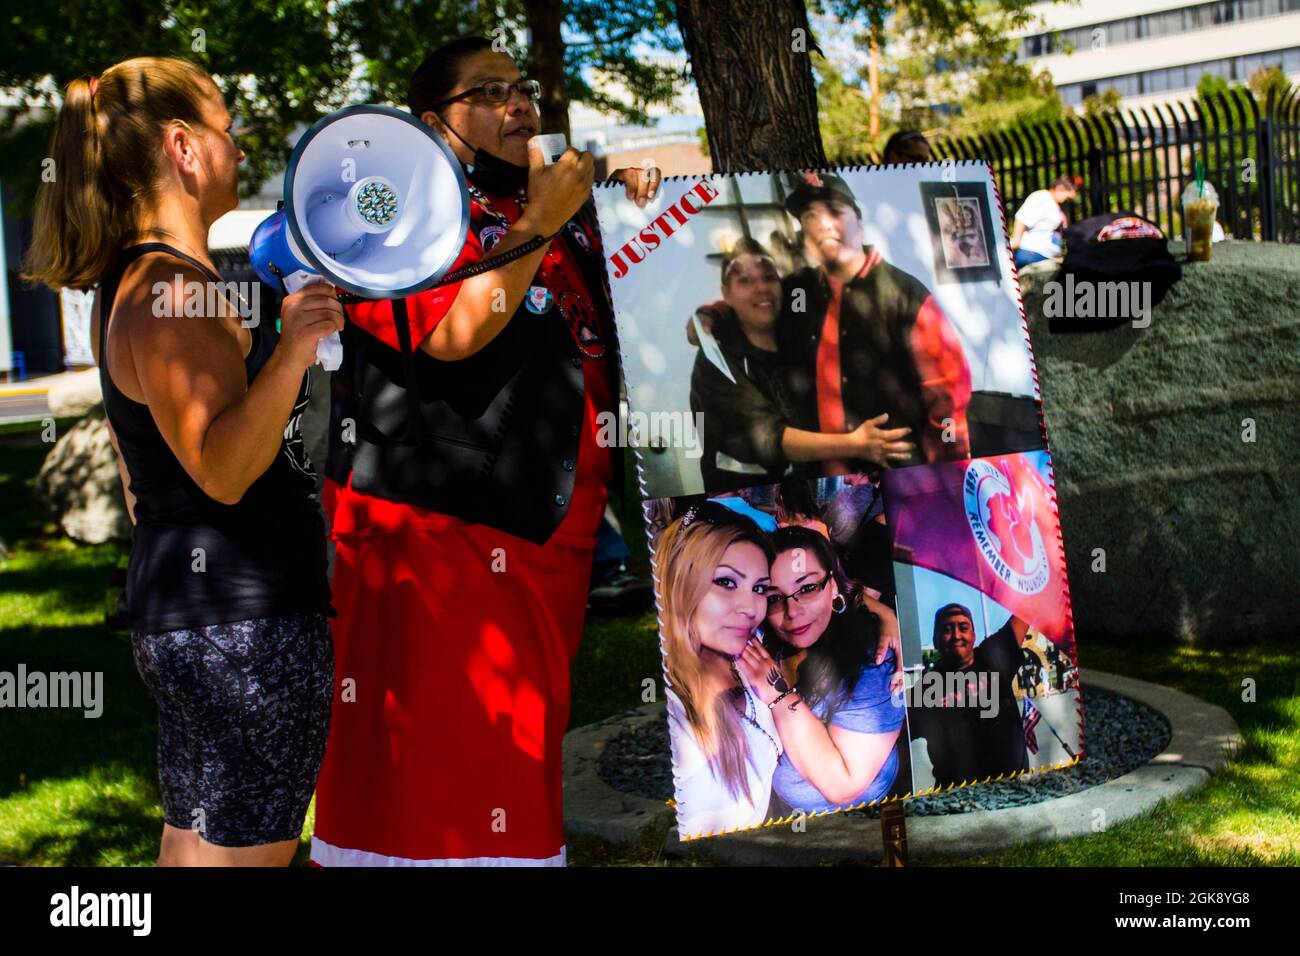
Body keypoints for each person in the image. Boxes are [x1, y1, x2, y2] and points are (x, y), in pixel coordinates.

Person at [312, 36, 658, 868]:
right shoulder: (391, 208)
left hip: (544, 531)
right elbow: (452, 332)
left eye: (524, 87)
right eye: (491, 92)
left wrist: (637, 217)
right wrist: (543, 220)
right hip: (441, 533)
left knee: (514, 761)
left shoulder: (543, 214)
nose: (520, 105)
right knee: (442, 784)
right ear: (434, 122)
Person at [23, 57, 340, 866]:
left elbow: (141, 484)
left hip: (186, 616)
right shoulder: (172, 288)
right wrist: (295, 345)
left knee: (195, 846)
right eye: (228, 132)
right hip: (247, 628)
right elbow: (222, 469)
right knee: (245, 856)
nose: (239, 150)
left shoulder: (133, 285)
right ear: (183, 149)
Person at [779, 171, 973, 471]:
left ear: (859, 221)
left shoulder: (905, 296)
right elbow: (757, 312)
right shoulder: (799, 292)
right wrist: (713, 316)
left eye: (834, 211)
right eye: (809, 215)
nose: (822, 224)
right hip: (816, 473)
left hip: (894, 474)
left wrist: (949, 470)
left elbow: (947, 399)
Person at [688, 239, 915, 492]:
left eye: (768, 278)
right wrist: (855, 443)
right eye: (745, 281)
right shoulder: (715, 360)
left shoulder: (797, 331)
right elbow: (770, 438)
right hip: (747, 495)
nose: (761, 288)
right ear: (726, 293)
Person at [735, 526, 904, 814]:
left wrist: (776, 693)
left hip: (855, 826)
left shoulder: (873, 661)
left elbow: (842, 786)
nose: (793, 611)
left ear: (833, 586)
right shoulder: (765, 638)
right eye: (776, 597)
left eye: (808, 588)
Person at [657, 501, 779, 837]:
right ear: (682, 582)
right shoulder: (671, 709)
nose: (750, 608)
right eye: (726, 582)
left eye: (759, 588)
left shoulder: (747, 650)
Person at [908, 604, 1031, 788]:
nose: (956, 636)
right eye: (947, 630)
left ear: (974, 636)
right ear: (935, 640)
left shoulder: (994, 656)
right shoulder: (925, 690)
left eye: (963, 628)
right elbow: (892, 738)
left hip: (1015, 787)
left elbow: (1029, 608)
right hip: (959, 799)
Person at [1010, 175, 1077, 268]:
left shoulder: (1054, 203)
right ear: (1059, 188)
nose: (1067, 201)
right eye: (1067, 197)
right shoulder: (1041, 198)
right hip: (1031, 254)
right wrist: (1016, 241)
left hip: (1043, 255)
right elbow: (1022, 218)